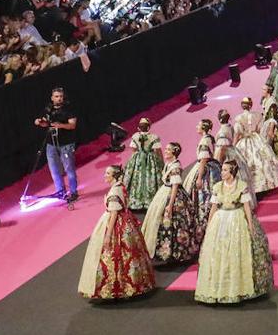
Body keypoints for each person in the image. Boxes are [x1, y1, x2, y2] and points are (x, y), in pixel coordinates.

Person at [195, 159, 274, 305]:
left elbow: (246, 207)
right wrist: (210, 224)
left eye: (225, 170)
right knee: (218, 252)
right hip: (221, 219)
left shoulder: (241, 186)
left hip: (237, 219)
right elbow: (213, 206)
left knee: (237, 251)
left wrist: (251, 225)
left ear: (232, 172)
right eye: (222, 170)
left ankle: (238, 288)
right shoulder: (218, 187)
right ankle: (218, 288)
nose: (222, 172)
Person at [77, 165, 157, 302]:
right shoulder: (120, 186)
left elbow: (114, 214)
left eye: (107, 173)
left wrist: (108, 234)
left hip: (116, 225)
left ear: (114, 176)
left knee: (115, 256)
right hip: (126, 222)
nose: (105, 175)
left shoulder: (114, 192)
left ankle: (118, 287)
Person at [141, 142, 199, 265]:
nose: (165, 151)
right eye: (166, 149)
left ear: (174, 152)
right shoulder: (169, 164)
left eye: (168, 150)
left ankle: (174, 253)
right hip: (164, 192)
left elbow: (175, 186)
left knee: (173, 222)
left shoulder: (175, 167)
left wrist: (170, 204)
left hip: (172, 195)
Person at [183, 119, 223, 247]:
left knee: (204, 197)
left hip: (206, 171)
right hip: (213, 168)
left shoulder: (205, 141)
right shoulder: (209, 138)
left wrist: (199, 177)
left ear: (204, 127)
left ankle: (206, 225)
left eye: (198, 125)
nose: (196, 126)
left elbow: (204, 159)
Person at [234, 96, 278, 192]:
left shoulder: (239, 118)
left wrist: (234, 146)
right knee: (262, 160)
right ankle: (265, 184)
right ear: (251, 105)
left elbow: (237, 133)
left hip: (244, 141)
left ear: (242, 106)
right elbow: (260, 129)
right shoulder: (257, 115)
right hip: (256, 139)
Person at [35, 87, 77, 201]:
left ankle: (73, 192)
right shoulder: (48, 109)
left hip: (66, 143)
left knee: (69, 169)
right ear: (52, 98)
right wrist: (40, 122)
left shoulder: (68, 109)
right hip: (51, 144)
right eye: (57, 96)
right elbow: (46, 124)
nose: (59, 99)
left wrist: (60, 125)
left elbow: (72, 125)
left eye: (61, 96)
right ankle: (60, 191)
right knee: (54, 170)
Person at [121, 117, 162, 211]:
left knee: (136, 178)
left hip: (138, 159)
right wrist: (161, 162)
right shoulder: (154, 137)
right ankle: (149, 201)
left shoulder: (135, 136)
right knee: (150, 178)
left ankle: (136, 201)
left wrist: (133, 161)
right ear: (149, 127)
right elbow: (158, 151)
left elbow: (134, 150)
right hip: (150, 159)